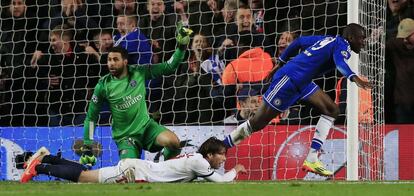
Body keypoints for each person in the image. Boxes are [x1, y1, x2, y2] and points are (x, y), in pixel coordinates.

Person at [222, 23, 372, 176]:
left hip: (303, 81)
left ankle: (312, 158)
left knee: (332, 109)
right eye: (361, 38)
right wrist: (354, 78)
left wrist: (280, 61)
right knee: (257, 123)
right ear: (351, 37)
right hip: (289, 80)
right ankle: (222, 145)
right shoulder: (343, 45)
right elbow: (340, 63)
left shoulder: (328, 39)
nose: (363, 42)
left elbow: (299, 42)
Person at [78, 24, 193, 166]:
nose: (111, 64)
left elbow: (170, 66)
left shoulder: (139, 72)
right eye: (109, 60)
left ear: (125, 62)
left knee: (173, 142)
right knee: (130, 169)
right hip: (126, 137)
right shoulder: (103, 86)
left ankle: (165, 169)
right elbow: (91, 117)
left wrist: (182, 47)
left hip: (147, 128)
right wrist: (87, 145)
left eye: (115, 60)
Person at [20, 137, 246, 183]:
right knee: (83, 178)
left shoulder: (197, 160)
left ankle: (46, 157)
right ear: (209, 155)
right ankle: (39, 167)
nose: (223, 159)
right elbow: (223, 182)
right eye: (221, 155)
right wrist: (235, 170)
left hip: (137, 169)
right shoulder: (200, 163)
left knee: (86, 175)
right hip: (135, 172)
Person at [386, 18, 414, 123]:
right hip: (402, 105)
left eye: (408, 36)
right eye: (403, 37)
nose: (405, 40)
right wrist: (374, 40)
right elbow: (378, 50)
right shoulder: (395, 45)